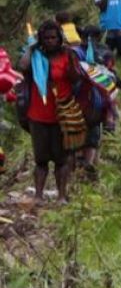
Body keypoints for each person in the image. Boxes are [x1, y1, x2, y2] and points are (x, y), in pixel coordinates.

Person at [17, 20, 86, 202]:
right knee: (40, 159)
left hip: (62, 114)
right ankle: (39, 196)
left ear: (60, 38)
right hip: (37, 115)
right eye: (46, 38)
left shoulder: (67, 55)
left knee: (61, 158)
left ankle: (61, 195)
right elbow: (22, 68)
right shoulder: (36, 56)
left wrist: (71, 62)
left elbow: (76, 77)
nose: (50, 41)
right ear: (41, 39)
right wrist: (31, 49)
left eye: (53, 37)